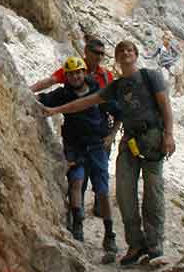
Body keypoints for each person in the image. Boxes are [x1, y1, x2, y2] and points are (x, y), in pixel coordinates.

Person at [43, 39, 174, 266]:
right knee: (124, 194)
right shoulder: (116, 86)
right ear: (116, 57)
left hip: (152, 138)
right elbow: (85, 102)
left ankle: (154, 245)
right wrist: (55, 110)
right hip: (129, 141)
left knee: (153, 192)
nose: (125, 53)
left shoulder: (151, 76)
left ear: (136, 54)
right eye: (121, 51)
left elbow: (165, 106)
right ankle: (135, 244)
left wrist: (169, 135)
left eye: (129, 50)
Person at [35, 56, 120, 260]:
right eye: (71, 73)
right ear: (67, 75)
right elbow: (40, 100)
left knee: (101, 190)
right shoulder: (62, 94)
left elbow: (118, 113)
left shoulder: (97, 91)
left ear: (84, 73)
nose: (75, 76)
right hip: (75, 147)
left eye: (78, 72)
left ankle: (109, 234)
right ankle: (78, 225)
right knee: (76, 181)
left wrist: (111, 136)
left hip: (97, 146)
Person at [30, 35, 114, 93]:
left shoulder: (106, 75)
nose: (99, 56)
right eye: (96, 52)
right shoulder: (74, 67)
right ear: (86, 51)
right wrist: (29, 91)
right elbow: (51, 80)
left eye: (102, 54)